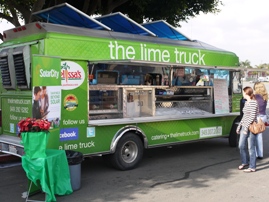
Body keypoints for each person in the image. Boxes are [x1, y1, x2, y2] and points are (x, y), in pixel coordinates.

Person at [236, 86, 258, 172]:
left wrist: (246, 128)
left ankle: (252, 166)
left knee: (251, 147)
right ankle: (245, 162)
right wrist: (239, 126)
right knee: (241, 145)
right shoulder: (246, 103)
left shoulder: (253, 103)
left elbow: (252, 116)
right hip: (244, 126)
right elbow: (244, 116)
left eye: (243, 92)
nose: (242, 94)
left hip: (251, 127)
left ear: (246, 93)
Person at [253, 82, 268, 159]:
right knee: (259, 135)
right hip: (263, 116)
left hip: (257, 117)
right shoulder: (265, 96)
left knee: (254, 135)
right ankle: (260, 153)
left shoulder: (256, 97)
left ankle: (255, 154)